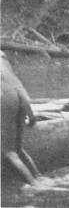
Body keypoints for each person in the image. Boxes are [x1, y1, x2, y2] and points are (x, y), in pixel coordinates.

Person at [1, 51, 40, 185]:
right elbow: (17, 87)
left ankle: (37, 188)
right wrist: (31, 115)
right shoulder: (3, 57)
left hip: (5, 97)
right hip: (22, 95)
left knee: (9, 153)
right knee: (18, 149)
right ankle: (39, 178)